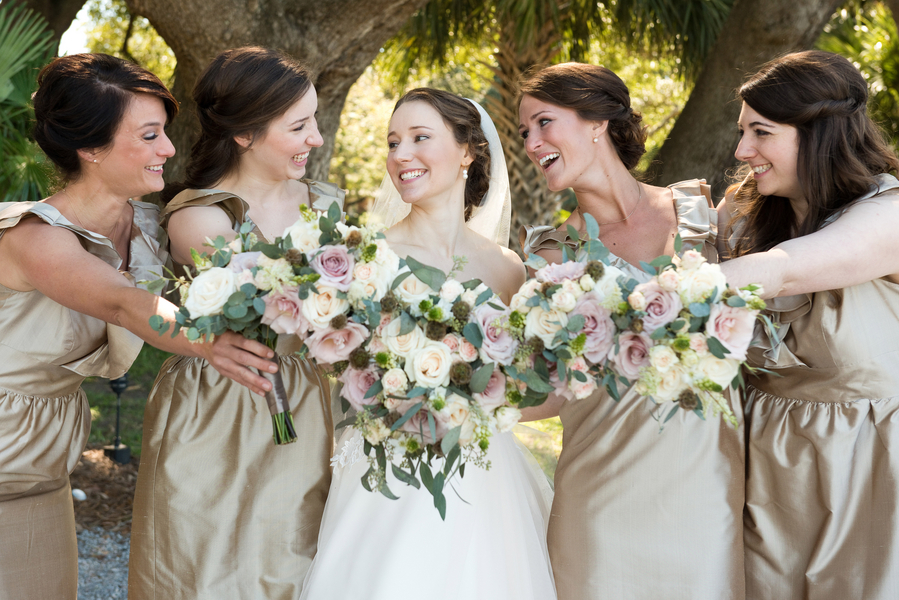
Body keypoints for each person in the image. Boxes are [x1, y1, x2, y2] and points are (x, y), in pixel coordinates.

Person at [0, 53, 276, 600]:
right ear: (91, 149)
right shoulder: (33, 237)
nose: (168, 150)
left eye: (165, 133)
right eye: (149, 136)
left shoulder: (152, 227)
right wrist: (211, 345)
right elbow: (126, 304)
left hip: (41, 466)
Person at [298, 88, 556, 600]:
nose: (401, 155)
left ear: (468, 151)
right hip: (388, 467)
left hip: (484, 473)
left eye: (420, 138)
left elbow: (524, 386)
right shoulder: (365, 256)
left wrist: (482, 401)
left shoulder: (507, 267)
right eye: (393, 142)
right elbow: (334, 363)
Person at [518, 62, 744, 599]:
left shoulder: (700, 214)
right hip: (598, 491)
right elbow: (544, 389)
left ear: (596, 121)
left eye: (543, 123)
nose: (531, 142)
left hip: (704, 489)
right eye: (524, 132)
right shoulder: (548, 254)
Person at [127, 47, 343, 599]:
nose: (315, 138)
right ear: (244, 135)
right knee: (198, 568)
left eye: (314, 121)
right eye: (299, 126)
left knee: (292, 564)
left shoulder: (327, 204)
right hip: (216, 401)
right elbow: (267, 304)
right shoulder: (200, 214)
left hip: (302, 397)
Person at [715, 50, 899, 600]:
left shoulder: (887, 212)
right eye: (743, 131)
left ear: (818, 134)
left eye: (761, 132)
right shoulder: (743, 213)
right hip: (764, 465)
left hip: (866, 464)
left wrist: (661, 294)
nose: (743, 150)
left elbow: (787, 269)